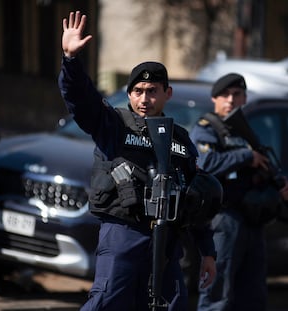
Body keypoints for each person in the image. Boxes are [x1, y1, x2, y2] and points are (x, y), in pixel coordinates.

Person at [58, 11, 222, 311]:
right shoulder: (114, 125)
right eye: (137, 91)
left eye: (152, 91)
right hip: (124, 234)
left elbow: (193, 198)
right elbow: (81, 100)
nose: (144, 99)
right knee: (107, 302)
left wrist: (207, 252)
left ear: (166, 93)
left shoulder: (181, 140)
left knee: (171, 305)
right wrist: (70, 61)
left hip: (168, 242)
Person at [190, 73, 288, 311]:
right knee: (217, 295)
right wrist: (246, 156)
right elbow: (205, 164)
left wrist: (281, 189)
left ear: (244, 99)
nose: (230, 100)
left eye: (236, 95)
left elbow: (265, 171)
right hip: (224, 218)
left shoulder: (246, 133)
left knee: (253, 294)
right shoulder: (207, 129)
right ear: (214, 99)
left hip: (251, 219)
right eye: (225, 95)